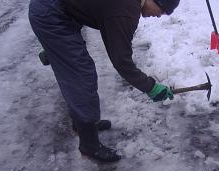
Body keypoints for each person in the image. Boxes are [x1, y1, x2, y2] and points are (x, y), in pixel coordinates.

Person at [28, 0, 180, 162]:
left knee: (77, 68)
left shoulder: (128, 7)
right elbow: (121, 61)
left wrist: (56, 47)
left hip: (63, 11)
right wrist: (151, 87)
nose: (159, 16)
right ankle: (89, 145)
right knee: (81, 75)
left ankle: (83, 125)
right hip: (51, 13)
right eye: (162, 10)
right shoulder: (126, 11)